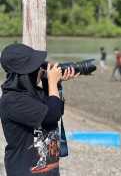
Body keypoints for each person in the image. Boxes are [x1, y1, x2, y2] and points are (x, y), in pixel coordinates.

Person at [0, 43, 79, 176]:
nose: (40, 69)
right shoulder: (12, 100)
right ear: (25, 73)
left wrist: (54, 83)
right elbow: (52, 115)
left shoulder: (34, 93)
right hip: (24, 171)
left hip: (48, 169)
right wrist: (53, 82)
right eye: (36, 67)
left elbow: (56, 108)